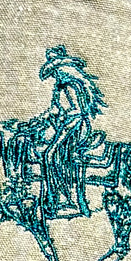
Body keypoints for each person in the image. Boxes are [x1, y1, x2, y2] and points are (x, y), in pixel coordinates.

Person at [32, 45, 107, 217]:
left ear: (63, 69)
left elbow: (77, 110)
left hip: (75, 126)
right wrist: (37, 121)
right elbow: (54, 110)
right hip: (66, 124)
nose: (55, 75)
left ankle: (62, 199)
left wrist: (62, 120)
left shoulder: (70, 85)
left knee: (50, 155)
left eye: (56, 71)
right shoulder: (60, 87)